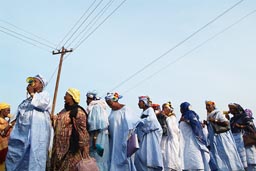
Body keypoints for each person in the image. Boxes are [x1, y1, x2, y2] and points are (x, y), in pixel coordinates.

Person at [5, 74, 52, 171]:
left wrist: (32, 94)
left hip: (36, 135)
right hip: (21, 135)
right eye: (32, 81)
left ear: (41, 85)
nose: (32, 83)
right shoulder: (26, 101)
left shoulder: (44, 95)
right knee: (15, 155)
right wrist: (9, 125)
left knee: (34, 157)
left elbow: (42, 104)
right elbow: (17, 113)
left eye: (35, 81)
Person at [51, 88, 91, 171]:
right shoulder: (63, 111)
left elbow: (83, 132)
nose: (64, 97)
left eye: (66, 95)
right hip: (59, 149)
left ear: (72, 97)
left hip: (72, 150)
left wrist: (82, 149)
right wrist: (53, 119)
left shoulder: (79, 113)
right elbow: (58, 124)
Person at [105, 92, 141, 171]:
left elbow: (134, 123)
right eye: (107, 104)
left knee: (125, 160)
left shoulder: (126, 109)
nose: (109, 105)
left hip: (125, 140)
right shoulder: (112, 112)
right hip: (114, 141)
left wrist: (127, 137)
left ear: (115, 100)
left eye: (110, 103)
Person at [205, 100, 244, 171]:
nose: (207, 107)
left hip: (222, 139)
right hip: (214, 140)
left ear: (213, 105)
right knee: (218, 157)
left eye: (208, 105)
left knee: (227, 155)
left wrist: (214, 121)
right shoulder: (210, 115)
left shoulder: (218, 114)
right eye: (206, 106)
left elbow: (226, 123)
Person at [179, 102, 210, 170]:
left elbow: (194, 123)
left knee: (195, 158)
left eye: (181, 108)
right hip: (186, 141)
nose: (180, 110)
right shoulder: (184, 116)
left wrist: (186, 120)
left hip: (193, 140)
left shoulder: (189, 114)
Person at [135, 96, 163, 171]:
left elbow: (152, 121)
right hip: (144, 137)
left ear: (144, 103)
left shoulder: (150, 110)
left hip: (150, 137)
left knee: (149, 156)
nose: (138, 103)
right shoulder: (144, 112)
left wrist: (139, 122)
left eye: (140, 102)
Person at [86, 91, 110, 171]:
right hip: (102, 136)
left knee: (97, 159)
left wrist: (95, 140)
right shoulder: (100, 107)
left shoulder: (95, 107)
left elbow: (97, 124)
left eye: (88, 99)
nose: (86, 101)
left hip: (97, 137)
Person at [160, 101, 181, 171]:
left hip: (173, 139)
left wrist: (166, 117)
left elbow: (172, 129)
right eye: (163, 108)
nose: (164, 109)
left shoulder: (172, 117)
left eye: (166, 108)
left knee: (173, 156)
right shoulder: (167, 117)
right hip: (168, 139)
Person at [229, 103, 249, 169]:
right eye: (230, 108)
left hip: (242, 139)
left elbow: (249, 125)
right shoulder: (232, 119)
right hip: (233, 140)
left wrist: (240, 126)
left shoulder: (243, 116)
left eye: (232, 108)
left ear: (236, 109)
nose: (230, 110)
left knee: (244, 159)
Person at [0, 102, 13, 171]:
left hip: (7, 149)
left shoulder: (6, 122)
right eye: (7, 110)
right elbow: (2, 133)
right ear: (1, 110)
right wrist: (10, 124)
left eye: (9, 110)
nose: (9, 112)